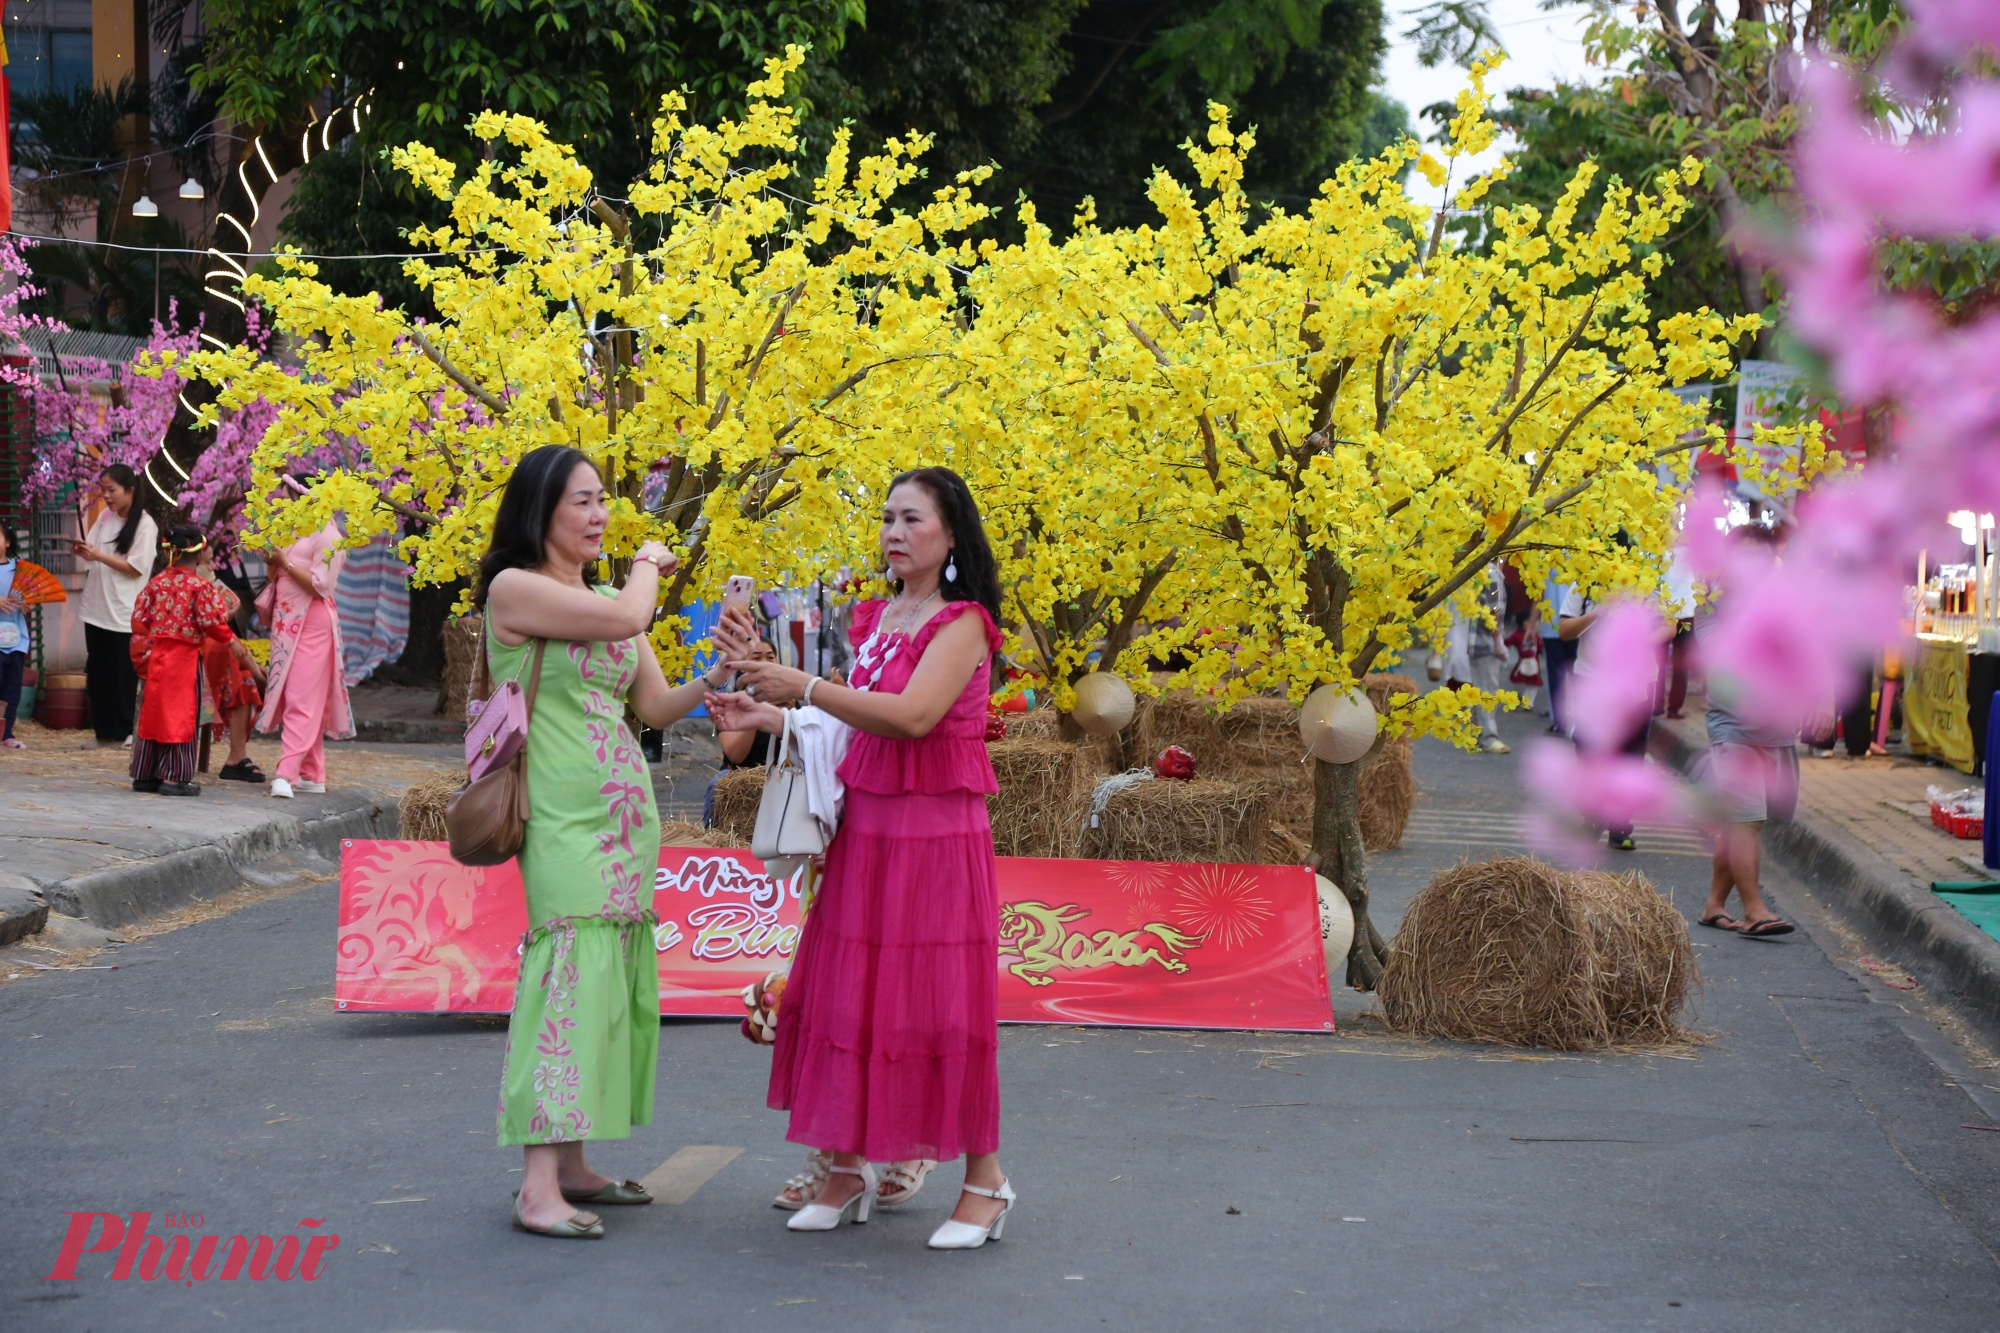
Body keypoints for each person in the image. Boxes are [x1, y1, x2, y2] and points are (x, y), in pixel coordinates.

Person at [711, 465, 1015, 1252]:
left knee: (939, 1004)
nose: (893, 531)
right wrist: (773, 712)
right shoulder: (884, 614)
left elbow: (913, 718)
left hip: (935, 835)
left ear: (951, 535)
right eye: (886, 517)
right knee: (848, 992)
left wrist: (804, 686)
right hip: (868, 827)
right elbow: (851, 722)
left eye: (912, 519)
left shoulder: (965, 622)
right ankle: (845, 1170)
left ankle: (985, 1183)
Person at [478, 444, 756, 1240]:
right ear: (542, 511)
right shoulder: (515, 588)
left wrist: (725, 674)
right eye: (584, 501)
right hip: (562, 813)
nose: (600, 514)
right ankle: (536, 1185)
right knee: (567, 971)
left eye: (604, 500)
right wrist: (647, 562)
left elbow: (660, 706)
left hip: (625, 818)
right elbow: (634, 614)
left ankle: (572, 1164)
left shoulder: (600, 597)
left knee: (603, 981)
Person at [1695, 528, 1797, 938]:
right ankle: (1754, 910)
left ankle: (1714, 905)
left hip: (1777, 729)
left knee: (1742, 822)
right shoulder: (1711, 600)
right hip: (1732, 726)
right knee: (1747, 821)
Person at [128, 527, 239, 796]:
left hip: (158, 658)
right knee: (180, 716)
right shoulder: (199, 586)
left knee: (153, 713)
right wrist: (232, 641)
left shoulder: (156, 583)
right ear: (200, 553)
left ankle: (146, 775)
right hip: (185, 659)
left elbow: (139, 619)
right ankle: (174, 777)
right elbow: (211, 622)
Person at [255, 506, 353, 798]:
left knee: (301, 698)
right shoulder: (293, 530)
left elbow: (320, 586)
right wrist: (272, 561)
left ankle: (286, 773)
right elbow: (275, 575)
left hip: (312, 622)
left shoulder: (328, 535)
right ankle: (312, 773)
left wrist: (284, 562)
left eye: (287, 499)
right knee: (298, 697)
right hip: (287, 623)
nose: (281, 506)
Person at [73, 464, 157, 748]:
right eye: (103, 490)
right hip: (96, 608)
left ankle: (123, 733)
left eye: (112, 490)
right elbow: (94, 552)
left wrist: (98, 555)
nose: (106, 496)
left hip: (124, 612)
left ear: (130, 491)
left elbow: (136, 568)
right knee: (98, 674)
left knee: (122, 676)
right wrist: (85, 552)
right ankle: (102, 732)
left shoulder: (145, 524)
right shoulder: (106, 517)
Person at [197, 546, 267, 782]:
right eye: (208, 563)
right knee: (238, 666)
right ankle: (237, 757)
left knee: (242, 676)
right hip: (190, 663)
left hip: (208, 659)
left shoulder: (202, 589)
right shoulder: (190, 587)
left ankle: (237, 757)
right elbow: (217, 632)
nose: (214, 567)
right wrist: (223, 618)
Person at [0, 525, 30, 749]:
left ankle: (6, 733)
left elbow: (30, 595)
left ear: (8, 542)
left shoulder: (19, 569)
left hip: (16, 641)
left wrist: (27, 603)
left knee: (11, 691)